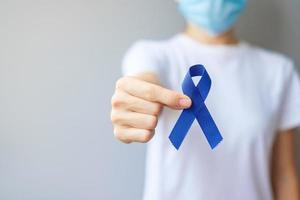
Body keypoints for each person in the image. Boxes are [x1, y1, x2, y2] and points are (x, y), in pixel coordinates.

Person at [110, 0, 300, 199]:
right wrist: (133, 103)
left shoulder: (279, 71)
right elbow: (143, 82)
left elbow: (284, 176)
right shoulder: (152, 55)